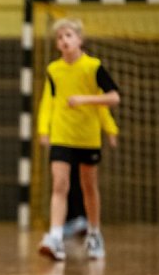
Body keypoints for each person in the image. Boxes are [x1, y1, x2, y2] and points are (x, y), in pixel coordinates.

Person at [37, 18, 120, 261]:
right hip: (62, 135)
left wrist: (108, 127)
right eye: (60, 37)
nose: (64, 40)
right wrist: (44, 129)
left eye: (69, 35)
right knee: (59, 184)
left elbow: (113, 98)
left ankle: (94, 233)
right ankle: (54, 237)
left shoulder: (93, 67)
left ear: (79, 40)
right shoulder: (53, 70)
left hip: (87, 137)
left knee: (88, 187)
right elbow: (48, 102)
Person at [63, 107, 118, 239]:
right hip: (64, 138)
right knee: (65, 181)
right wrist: (44, 131)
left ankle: (89, 224)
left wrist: (111, 130)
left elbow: (101, 107)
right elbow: (49, 105)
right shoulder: (60, 88)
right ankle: (71, 220)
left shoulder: (91, 88)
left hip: (87, 140)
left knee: (87, 183)